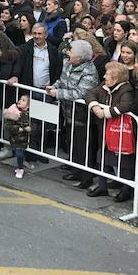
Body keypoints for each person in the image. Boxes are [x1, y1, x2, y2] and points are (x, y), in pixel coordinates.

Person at [50, 39, 99, 189]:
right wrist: (54, 86)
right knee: (72, 144)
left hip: (82, 116)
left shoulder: (89, 71)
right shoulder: (68, 64)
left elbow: (80, 93)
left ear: (80, 56)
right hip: (68, 112)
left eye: (71, 51)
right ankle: (75, 169)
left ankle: (86, 177)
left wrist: (58, 93)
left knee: (83, 147)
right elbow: (62, 80)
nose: (67, 53)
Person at [84, 61, 135, 201]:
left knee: (125, 163)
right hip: (105, 131)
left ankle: (126, 190)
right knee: (102, 158)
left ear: (116, 78)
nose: (104, 76)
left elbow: (126, 105)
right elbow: (89, 94)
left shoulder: (126, 90)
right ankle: (102, 186)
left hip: (121, 132)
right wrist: (95, 107)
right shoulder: (103, 85)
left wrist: (106, 113)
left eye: (107, 74)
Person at [3, 94, 31, 179]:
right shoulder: (13, 112)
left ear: (28, 105)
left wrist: (31, 128)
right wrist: (19, 129)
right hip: (16, 138)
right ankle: (20, 167)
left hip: (24, 139)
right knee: (18, 153)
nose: (20, 101)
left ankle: (20, 168)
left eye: (23, 100)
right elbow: (7, 126)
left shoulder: (29, 114)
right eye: (20, 99)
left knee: (19, 153)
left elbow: (34, 125)